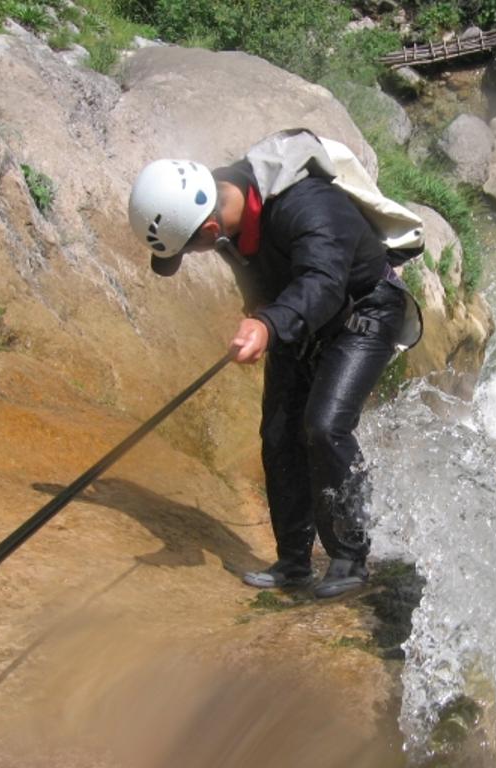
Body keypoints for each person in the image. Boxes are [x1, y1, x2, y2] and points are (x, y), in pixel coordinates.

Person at [127, 129, 422, 599]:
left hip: (363, 309)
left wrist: (269, 324)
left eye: (193, 249)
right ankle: (293, 562)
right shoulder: (222, 214)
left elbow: (324, 282)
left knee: (324, 427)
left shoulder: (306, 204)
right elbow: (258, 271)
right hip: (298, 314)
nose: (201, 254)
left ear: (207, 231)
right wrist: (261, 314)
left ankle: (349, 557)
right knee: (279, 433)